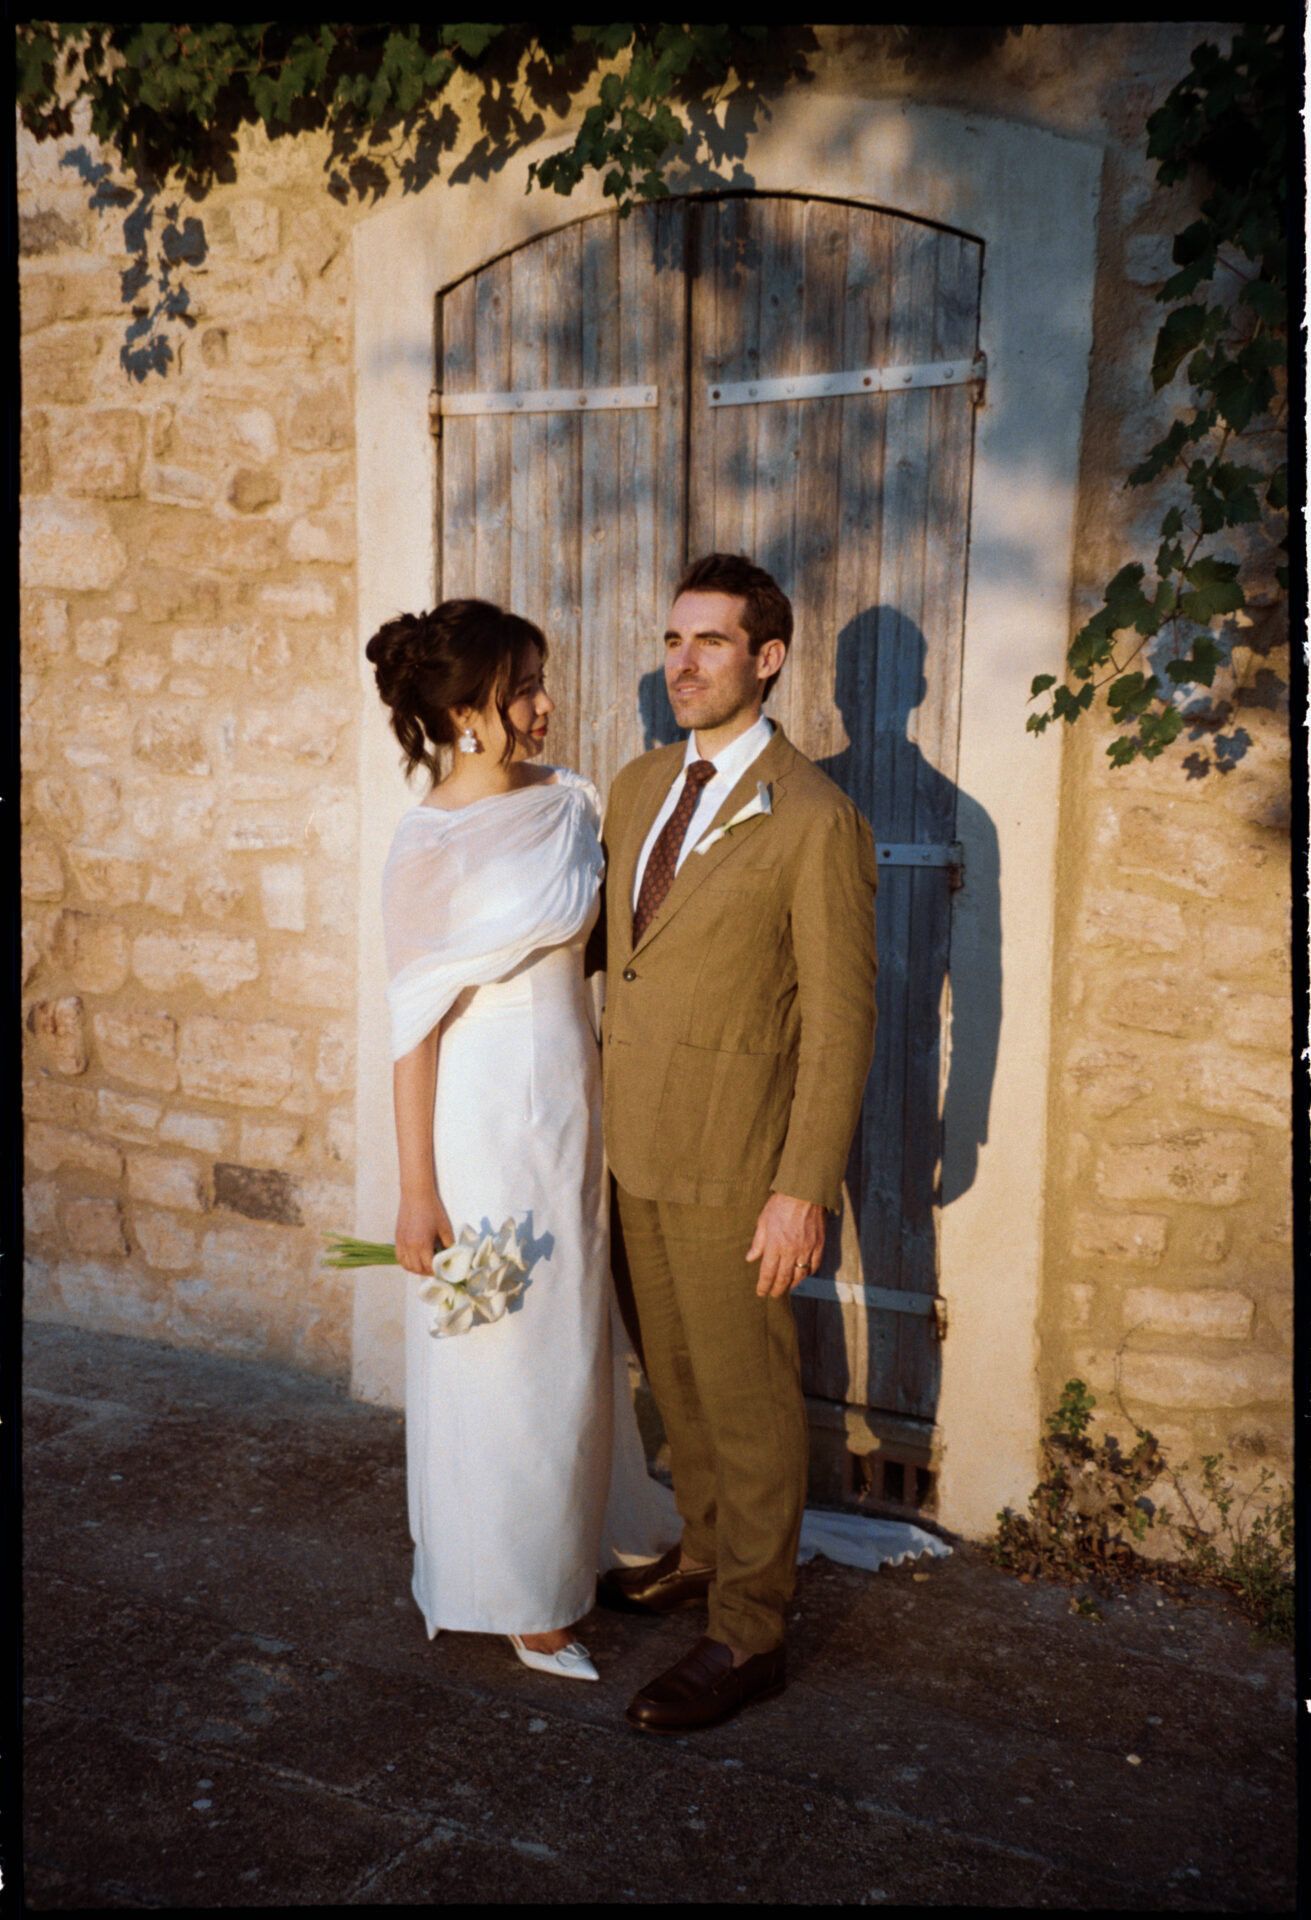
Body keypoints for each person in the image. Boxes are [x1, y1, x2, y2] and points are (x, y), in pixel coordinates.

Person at [595, 552, 879, 1733]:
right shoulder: (635, 784)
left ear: (767, 660)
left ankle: (749, 1633)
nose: (683, 662)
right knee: (680, 1382)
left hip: (737, 1162)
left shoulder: (814, 817)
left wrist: (801, 1190)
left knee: (753, 1401)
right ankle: (705, 1552)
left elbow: (843, 1016)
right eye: (675, 639)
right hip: (633, 1149)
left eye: (710, 643)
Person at [367, 600, 674, 1683]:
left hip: (570, 1110)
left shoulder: (570, 801)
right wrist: (417, 1192)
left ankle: (580, 1542)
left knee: (574, 1340)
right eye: (522, 691)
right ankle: (518, 1594)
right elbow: (412, 1034)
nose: (546, 706)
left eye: (542, 681)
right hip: (484, 1122)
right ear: (462, 713)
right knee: (500, 1353)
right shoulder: (427, 845)